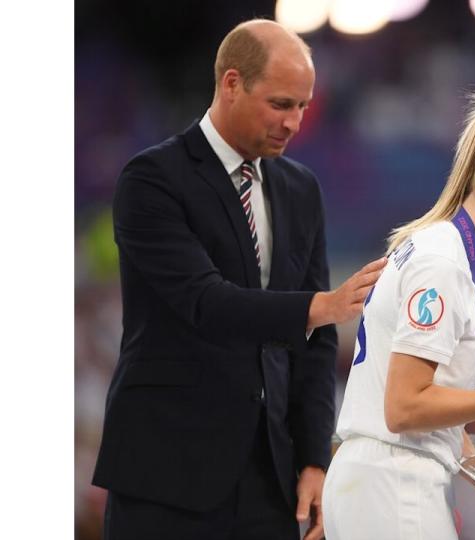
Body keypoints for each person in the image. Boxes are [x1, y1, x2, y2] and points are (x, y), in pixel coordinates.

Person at [92, 19, 386, 540]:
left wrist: (315, 459)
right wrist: (319, 306)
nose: (294, 122)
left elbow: (315, 348)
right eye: (280, 104)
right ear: (231, 84)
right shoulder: (153, 178)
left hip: (267, 478)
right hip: (165, 474)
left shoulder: (301, 189)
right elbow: (206, 303)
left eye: (302, 106)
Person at [321, 87, 475, 539]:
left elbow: (427, 411)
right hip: (396, 484)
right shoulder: (443, 261)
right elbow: (405, 407)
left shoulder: (438, 249)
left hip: (380, 478)